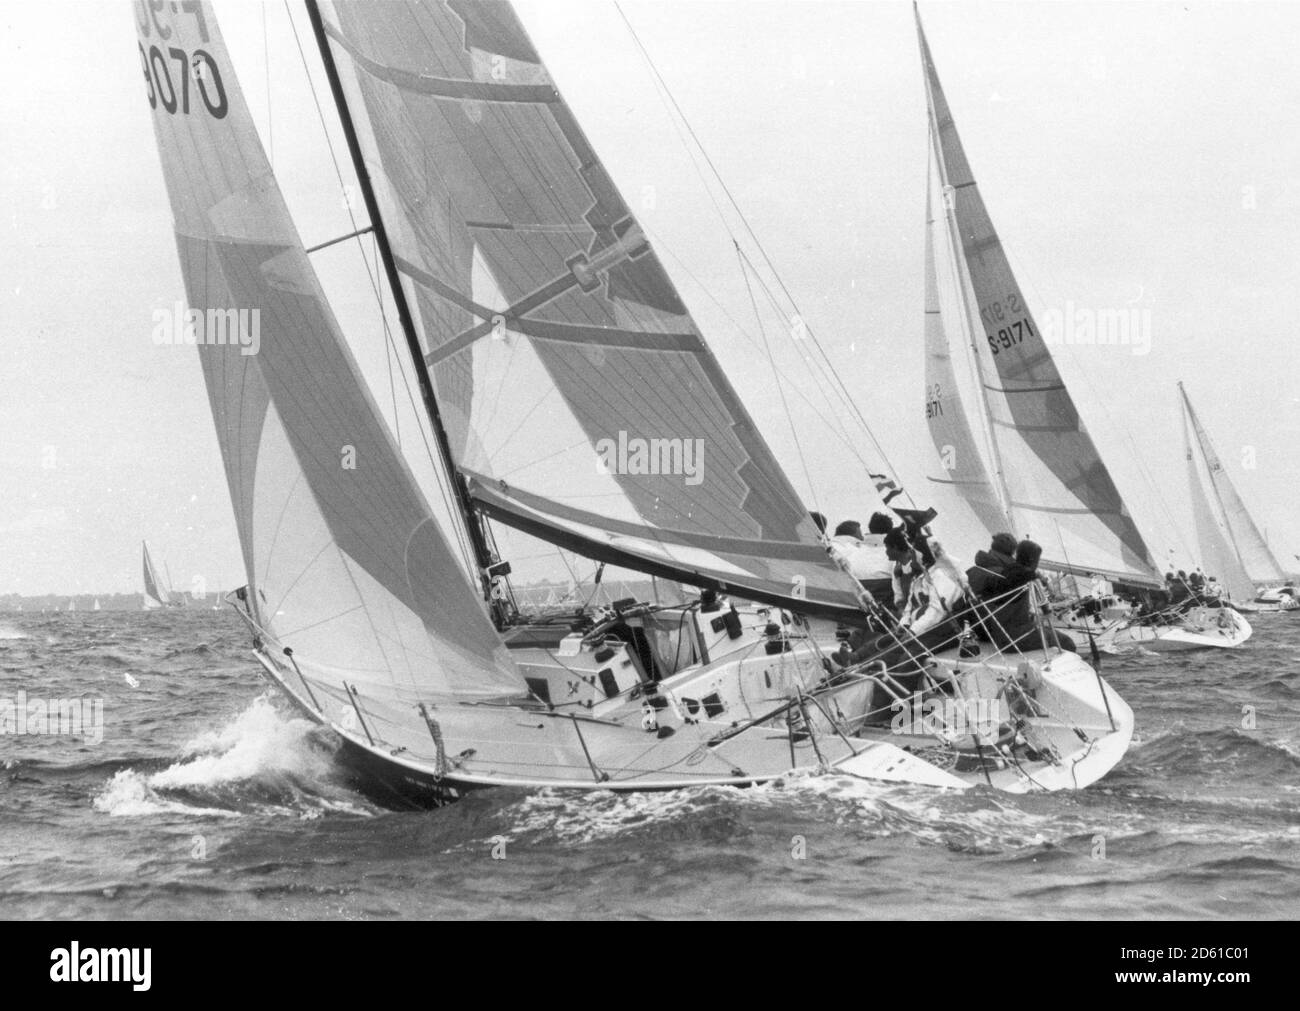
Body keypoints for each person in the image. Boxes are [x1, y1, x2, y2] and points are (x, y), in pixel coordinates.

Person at [968, 539, 1077, 654]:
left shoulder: (1006, 572)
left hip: (1002, 635)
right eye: (1037, 560)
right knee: (1066, 642)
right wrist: (1037, 577)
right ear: (1032, 560)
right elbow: (1046, 610)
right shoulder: (1024, 577)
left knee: (1048, 631)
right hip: (1014, 637)